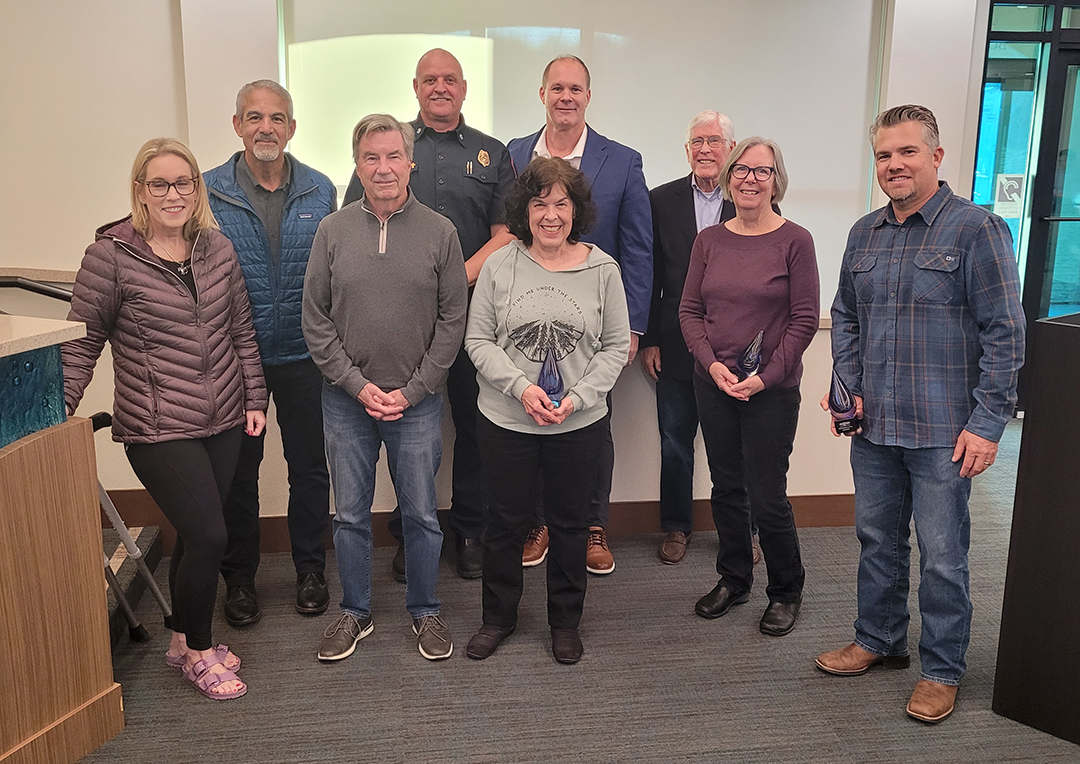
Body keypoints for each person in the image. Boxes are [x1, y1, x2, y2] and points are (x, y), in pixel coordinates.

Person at [816, 105, 1025, 723]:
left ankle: (941, 668)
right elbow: (846, 316)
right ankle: (878, 639)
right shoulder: (864, 233)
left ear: (936, 156)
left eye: (907, 152)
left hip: (944, 431)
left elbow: (1006, 332)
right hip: (874, 426)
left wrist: (988, 423)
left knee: (942, 554)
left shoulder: (977, 230)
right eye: (884, 155)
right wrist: (848, 388)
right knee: (877, 540)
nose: (894, 164)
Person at [62, 138, 268, 699]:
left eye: (184, 182)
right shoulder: (110, 257)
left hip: (224, 418)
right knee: (209, 534)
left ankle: (180, 638)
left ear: (197, 189)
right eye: (160, 184)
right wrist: (56, 410)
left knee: (197, 537)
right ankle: (200, 652)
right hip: (156, 426)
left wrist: (254, 397)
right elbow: (80, 343)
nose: (173, 194)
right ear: (141, 192)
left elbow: (241, 329)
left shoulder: (216, 248)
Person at [342, 49, 515, 581]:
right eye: (430, 80)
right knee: (406, 426)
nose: (440, 87)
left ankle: (470, 531)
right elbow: (355, 225)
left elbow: (506, 234)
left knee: (476, 426)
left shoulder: (492, 153)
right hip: (402, 322)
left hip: (475, 319)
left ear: (463, 88)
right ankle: (409, 531)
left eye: (450, 79)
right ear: (415, 87)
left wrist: (454, 279)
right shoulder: (388, 148)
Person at [303, 114, 467, 662]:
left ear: (410, 162)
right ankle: (356, 611)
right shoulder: (332, 231)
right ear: (357, 165)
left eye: (393, 155)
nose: (383, 168)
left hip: (416, 404)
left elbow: (453, 321)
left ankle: (425, 610)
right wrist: (356, 385)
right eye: (370, 157)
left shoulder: (441, 233)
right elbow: (315, 319)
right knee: (350, 515)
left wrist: (414, 390)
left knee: (421, 514)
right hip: (346, 401)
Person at [463, 157, 630, 664]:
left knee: (571, 525)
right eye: (540, 204)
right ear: (525, 210)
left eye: (561, 204)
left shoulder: (603, 270)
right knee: (505, 524)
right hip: (506, 419)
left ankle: (565, 622)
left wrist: (577, 398)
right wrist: (520, 389)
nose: (551, 215)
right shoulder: (500, 264)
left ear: (576, 211)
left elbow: (615, 347)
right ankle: (498, 619)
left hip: (577, 422)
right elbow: (478, 340)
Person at [508, 55, 652, 575]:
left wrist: (632, 326)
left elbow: (638, 247)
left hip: (595, 322)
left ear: (588, 96)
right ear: (542, 93)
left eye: (575, 89)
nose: (565, 97)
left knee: (592, 422)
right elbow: (506, 235)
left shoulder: (623, 161)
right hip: (526, 319)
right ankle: (540, 523)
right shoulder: (514, 154)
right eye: (557, 88)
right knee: (532, 418)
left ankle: (593, 526)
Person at [204, 80, 337, 627]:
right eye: (255, 117)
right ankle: (239, 580)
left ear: (292, 128)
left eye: (277, 118)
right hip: (237, 359)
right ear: (237, 125)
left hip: (307, 356)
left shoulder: (320, 189)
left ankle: (311, 571)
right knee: (239, 475)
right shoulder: (207, 192)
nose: (266, 128)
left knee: (309, 468)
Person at [679, 137, 819, 638]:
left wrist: (766, 377)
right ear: (727, 178)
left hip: (771, 391)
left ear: (776, 180)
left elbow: (804, 320)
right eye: (741, 169)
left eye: (762, 171)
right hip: (714, 384)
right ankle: (734, 578)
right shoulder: (709, 241)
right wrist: (712, 365)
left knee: (767, 495)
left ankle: (785, 590)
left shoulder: (795, 240)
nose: (750, 179)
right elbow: (690, 311)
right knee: (726, 488)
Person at [644, 110, 738, 565]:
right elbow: (651, 274)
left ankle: (740, 530)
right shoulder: (660, 200)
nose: (705, 149)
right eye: (697, 142)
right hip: (675, 343)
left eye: (714, 140)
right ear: (686, 151)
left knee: (732, 447)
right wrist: (648, 338)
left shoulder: (752, 199)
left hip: (735, 347)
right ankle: (676, 527)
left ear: (731, 149)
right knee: (675, 441)